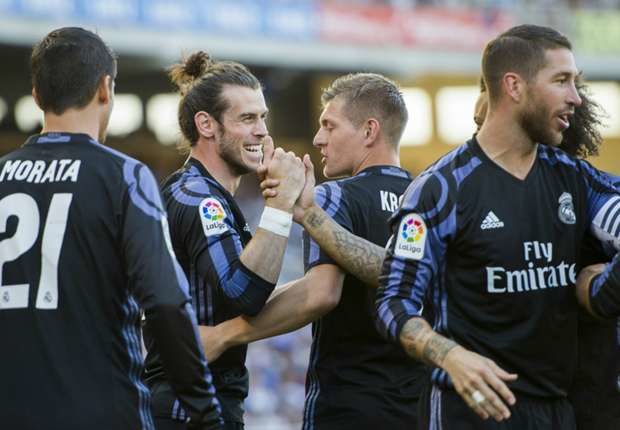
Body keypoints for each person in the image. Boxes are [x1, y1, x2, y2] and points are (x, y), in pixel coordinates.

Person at [374, 24, 620, 429]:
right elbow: (393, 302)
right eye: (561, 80)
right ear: (514, 86)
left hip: (555, 411)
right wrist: (448, 355)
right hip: (470, 410)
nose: (576, 97)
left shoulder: (574, 178)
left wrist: (599, 284)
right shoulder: (440, 190)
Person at [0, 27, 221, 430]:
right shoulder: (124, 176)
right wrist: (204, 409)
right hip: (105, 411)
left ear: (36, 95)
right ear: (105, 88)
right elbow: (166, 301)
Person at [202, 73, 428, 429]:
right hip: (420, 406)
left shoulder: (334, 196)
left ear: (369, 131)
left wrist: (223, 334)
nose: (318, 138)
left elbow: (321, 293)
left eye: (329, 126)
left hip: (350, 405)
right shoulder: (430, 200)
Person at [142, 51, 306, 430]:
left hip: (205, 401)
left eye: (262, 117)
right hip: (188, 407)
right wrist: (280, 204)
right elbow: (244, 293)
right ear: (206, 125)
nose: (262, 131)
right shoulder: (198, 197)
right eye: (247, 118)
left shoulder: (208, 194)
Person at [476, 74, 620, 430]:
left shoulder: (589, 191)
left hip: (591, 404)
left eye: (488, 124)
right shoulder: (465, 197)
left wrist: (599, 291)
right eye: (478, 125)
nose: (479, 139)